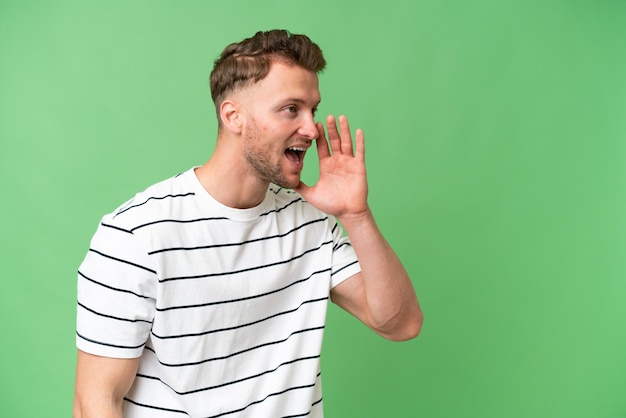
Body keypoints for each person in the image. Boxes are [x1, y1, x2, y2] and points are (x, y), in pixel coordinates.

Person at [73, 29, 423, 418]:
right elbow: (95, 403)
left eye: (313, 110)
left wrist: (356, 215)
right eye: (291, 109)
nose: (310, 129)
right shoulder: (137, 235)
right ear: (233, 115)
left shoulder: (310, 223)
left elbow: (400, 323)